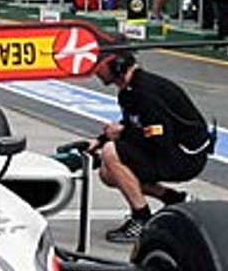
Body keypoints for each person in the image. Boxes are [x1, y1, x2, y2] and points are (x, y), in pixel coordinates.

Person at [90, 47, 215, 244]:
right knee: (108, 172)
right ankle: (174, 198)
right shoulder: (129, 91)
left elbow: (159, 138)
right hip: (169, 148)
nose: (95, 71)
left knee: (111, 154)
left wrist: (119, 136)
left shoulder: (146, 92)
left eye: (99, 66)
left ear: (117, 65)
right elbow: (134, 123)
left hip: (184, 155)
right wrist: (98, 141)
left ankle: (142, 218)